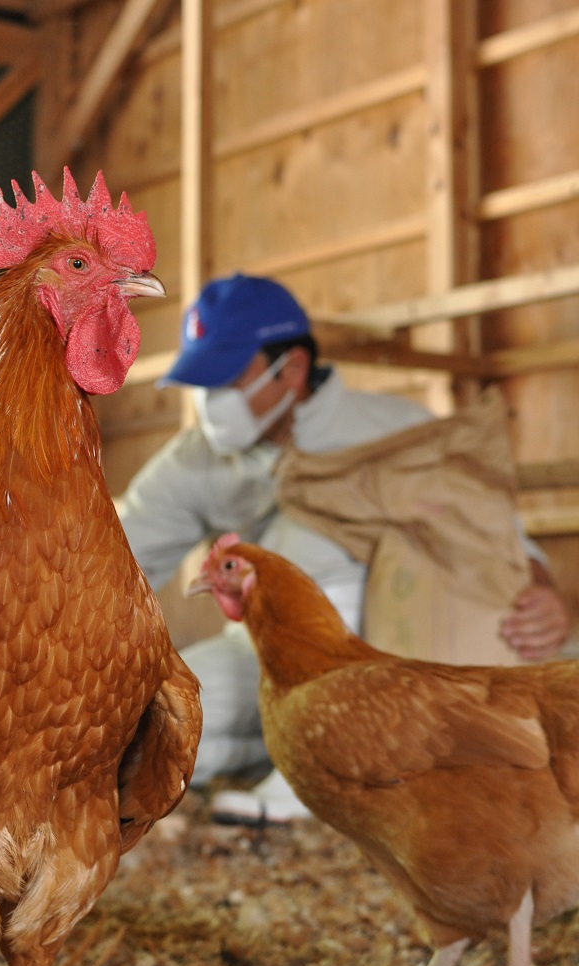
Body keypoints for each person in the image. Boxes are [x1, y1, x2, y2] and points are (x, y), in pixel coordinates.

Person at [118, 273, 571, 823]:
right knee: (157, 721)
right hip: (265, 652)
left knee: (309, 541)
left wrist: (543, 593)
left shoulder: (395, 431)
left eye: (227, 379)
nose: (209, 403)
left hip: (396, 652)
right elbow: (118, 557)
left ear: (293, 370)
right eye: (200, 384)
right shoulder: (195, 461)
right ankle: (274, 754)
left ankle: (308, 766)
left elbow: (495, 537)